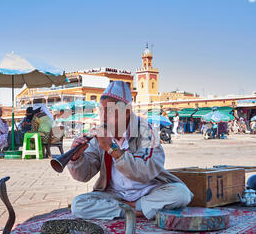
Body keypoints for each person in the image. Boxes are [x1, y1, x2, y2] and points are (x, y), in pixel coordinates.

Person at [67, 81, 193, 220]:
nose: (103, 118)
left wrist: (111, 148)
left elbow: (143, 172)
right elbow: (83, 176)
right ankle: (136, 210)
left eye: (109, 111)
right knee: (78, 205)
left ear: (126, 112)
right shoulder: (100, 136)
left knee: (181, 194)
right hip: (115, 195)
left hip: (148, 190)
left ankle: (128, 208)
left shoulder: (145, 131)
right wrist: (76, 158)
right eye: (101, 111)